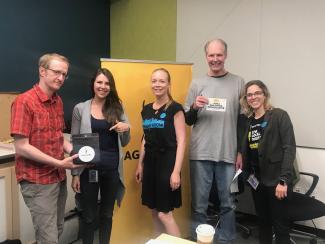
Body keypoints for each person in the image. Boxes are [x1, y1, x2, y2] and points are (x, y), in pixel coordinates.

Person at [10, 53, 81, 244]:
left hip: (57, 177)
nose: (61, 78)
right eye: (56, 72)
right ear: (42, 71)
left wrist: (74, 149)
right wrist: (59, 162)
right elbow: (22, 147)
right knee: (47, 237)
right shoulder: (24, 102)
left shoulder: (57, 101)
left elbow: (57, 137)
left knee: (57, 229)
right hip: (37, 181)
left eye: (64, 74)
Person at [184, 38, 245, 243]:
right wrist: (194, 107)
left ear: (225, 56)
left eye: (219, 55)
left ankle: (227, 240)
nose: (215, 59)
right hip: (201, 152)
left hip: (228, 152)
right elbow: (188, 119)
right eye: (211, 55)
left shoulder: (238, 82)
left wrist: (240, 152)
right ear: (206, 57)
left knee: (228, 203)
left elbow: (243, 121)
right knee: (199, 205)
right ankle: (200, 239)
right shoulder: (196, 83)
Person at [70, 68, 130, 244]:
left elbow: (125, 141)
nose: (103, 86)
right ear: (93, 84)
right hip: (89, 170)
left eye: (107, 83)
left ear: (111, 86)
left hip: (112, 170)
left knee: (106, 215)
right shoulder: (80, 108)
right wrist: (75, 174)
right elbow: (75, 144)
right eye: (99, 82)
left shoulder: (117, 107)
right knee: (88, 216)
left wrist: (126, 128)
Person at [238, 80, 296, 244]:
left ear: (264, 95)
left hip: (276, 181)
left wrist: (283, 180)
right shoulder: (249, 121)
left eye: (257, 93)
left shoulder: (279, 115)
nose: (253, 97)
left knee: (280, 227)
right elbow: (249, 150)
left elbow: (289, 148)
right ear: (246, 98)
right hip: (258, 182)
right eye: (249, 94)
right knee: (263, 223)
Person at [135, 68, 186, 237]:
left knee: (165, 214)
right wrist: (140, 165)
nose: (157, 84)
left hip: (167, 164)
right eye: (154, 81)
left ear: (169, 84)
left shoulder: (175, 108)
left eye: (162, 81)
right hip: (150, 164)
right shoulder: (147, 109)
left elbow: (182, 141)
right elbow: (145, 139)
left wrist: (176, 172)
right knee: (154, 211)